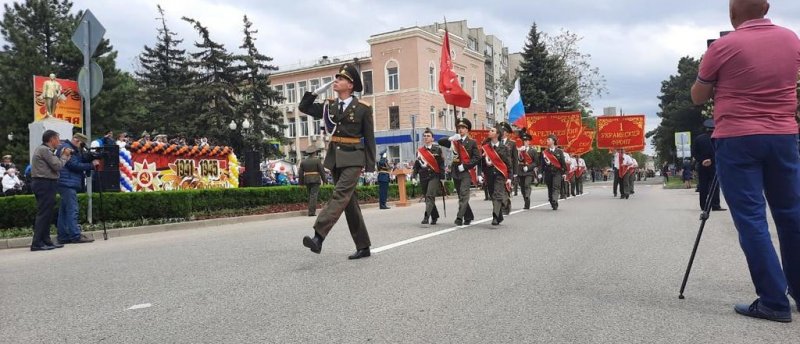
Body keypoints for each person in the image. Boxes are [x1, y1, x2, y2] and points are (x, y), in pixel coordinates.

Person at [690, 0, 800, 322]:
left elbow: (698, 97)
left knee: (752, 218)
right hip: (782, 135)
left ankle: (772, 301)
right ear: (766, 8)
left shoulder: (723, 46)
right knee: (791, 214)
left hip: (737, 137)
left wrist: (709, 76)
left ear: (732, 13)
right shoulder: (791, 39)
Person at [298, 63, 376, 260]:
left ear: (350, 85)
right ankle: (363, 245)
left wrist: (370, 166)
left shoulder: (363, 109)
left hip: (354, 158)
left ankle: (318, 236)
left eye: (341, 79)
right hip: (335, 158)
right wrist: (315, 92)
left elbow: (370, 138)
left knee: (339, 195)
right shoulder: (330, 105)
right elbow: (303, 107)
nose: (336, 81)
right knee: (349, 204)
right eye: (337, 78)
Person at [30, 130, 70, 251]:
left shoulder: (45, 150)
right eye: (58, 138)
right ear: (51, 139)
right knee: (44, 214)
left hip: (46, 183)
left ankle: (46, 240)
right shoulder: (44, 150)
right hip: (44, 183)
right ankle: (37, 243)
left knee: (47, 213)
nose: (59, 141)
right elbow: (57, 166)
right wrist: (65, 155)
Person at [56, 133, 98, 244]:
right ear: (77, 141)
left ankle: (63, 236)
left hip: (66, 182)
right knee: (72, 209)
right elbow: (74, 165)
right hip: (67, 182)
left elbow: (79, 160)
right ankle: (75, 235)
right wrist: (91, 165)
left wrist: (89, 156)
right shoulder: (67, 148)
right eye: (81, 144)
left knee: (64, 211)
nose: (81, 147)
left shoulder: (71, 148)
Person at [438, 118, 480, 226]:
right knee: (461, 196)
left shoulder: (472, 142)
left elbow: (476, 158)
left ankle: (459, 217)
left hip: (466, 172)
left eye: (463, 128)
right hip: (455, 171)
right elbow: (440, 141)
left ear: (467, 130)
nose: (460, 130)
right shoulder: (454, 142)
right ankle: (469, 216)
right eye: (459, 128)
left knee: (464, 195)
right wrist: (450, 138)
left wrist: (466, 166)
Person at [481, 125, 512, 226]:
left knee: (497, 194)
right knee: (492, 195)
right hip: (489, 175)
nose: (489, 132)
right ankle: (499, 216)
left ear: (497, 134)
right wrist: (480, 174)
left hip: (500, 175)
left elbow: (508, 164)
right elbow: (481, 162)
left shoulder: (504, 148)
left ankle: (495, 216)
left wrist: (510, 177)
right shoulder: (485, 147)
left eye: (492, 131)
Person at [413, 128, 445, 225]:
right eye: (425, 136)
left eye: (428, 136)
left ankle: (426, 217)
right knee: (427, 198)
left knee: (430, 195)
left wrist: (442, 177)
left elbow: (441, 164)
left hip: (434, 176)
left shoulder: (438, 149)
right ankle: (434, 216)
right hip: (423, 176)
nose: (426, 138)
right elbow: (416, 165)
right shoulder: (420, 151)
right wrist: (414, 176)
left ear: (432, 138)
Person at [693, 119, 726, 212]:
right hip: (714, 165)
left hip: (702, 166)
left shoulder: (698, 139)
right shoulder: (718, 138)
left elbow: (694, 152)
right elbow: (720, 152)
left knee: (703, 185)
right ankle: (715, 205)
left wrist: (702, 160)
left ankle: (703, 206)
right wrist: (711, 160)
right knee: (715, 185)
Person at [540, 135, 566, 210]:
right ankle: (552, 201)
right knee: (550, 188)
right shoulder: (544, 152)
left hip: (557, 172)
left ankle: (555, 199)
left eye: (548, 139)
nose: (547, 141)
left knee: (556, 187)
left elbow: (563, 163)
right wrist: (540, 173)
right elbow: (542, 164)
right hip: (548, 172)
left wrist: (564, 173)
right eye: (547, 140)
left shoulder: (559, 151)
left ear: (553, 141)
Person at [298, 147, 326, 217]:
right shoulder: (317, 161)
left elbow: (300, 173)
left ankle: (311, 211)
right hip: (315, 180)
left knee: (310, 195)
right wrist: (325, 180)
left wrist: (301, 183)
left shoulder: (303, 162)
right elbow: (322, 171)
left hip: (307, 180)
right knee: (313, 196)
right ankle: (311, 212)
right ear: (314, 153)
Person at [498, 122, 517, 215]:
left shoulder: (512, 144)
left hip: (508, 169)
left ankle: (506, 203)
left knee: (506, 188)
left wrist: (515, 173)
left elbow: (515, 158)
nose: (501, 132)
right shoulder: (496, 142)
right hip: (498, 169)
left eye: (503, 131)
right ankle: (503, 204)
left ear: (507, 133)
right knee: (499, 188)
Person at [517, 133, 538, 209]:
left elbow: (536, 162)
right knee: (522, 187)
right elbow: (519, 160)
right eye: (524, 141)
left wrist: (528, 167)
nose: (525, 142)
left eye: (526, 141)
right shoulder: (520, 150)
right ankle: (526, 201)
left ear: (529, 142)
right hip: (521, 171)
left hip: (529, 171)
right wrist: (519, 152)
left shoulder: (533, 151)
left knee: (527, 184)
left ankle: (527, 196)